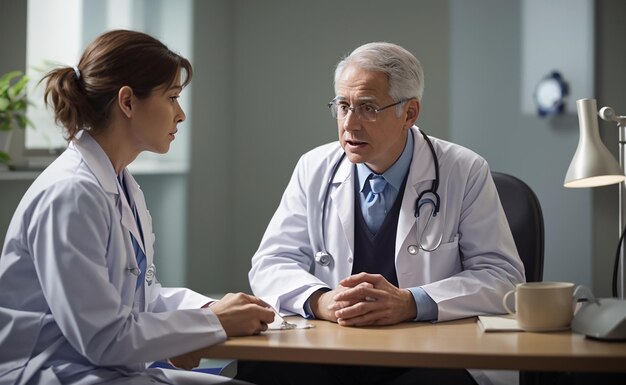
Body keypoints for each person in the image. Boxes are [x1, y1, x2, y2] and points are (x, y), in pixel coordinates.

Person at [237, 42, 525, 385]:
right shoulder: (314, 167)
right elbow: (271, 262)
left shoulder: (463, 170)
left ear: (410, 113)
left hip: (428, 354)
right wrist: (321, 300)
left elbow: (503, 277)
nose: (350, 124)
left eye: (368, 108)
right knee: (260, 369)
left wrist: (412, 303)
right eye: (343, 106)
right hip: (333, 348)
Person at [0, 29, 274, 385]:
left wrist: (208, 309)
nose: (181, 115)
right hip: (53, 373)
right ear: (127, 102)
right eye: (172, 97)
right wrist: (213, 322)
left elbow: (141, 299)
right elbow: (104, 338)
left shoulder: (120, 183)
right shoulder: (70, 195)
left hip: (102, 370)